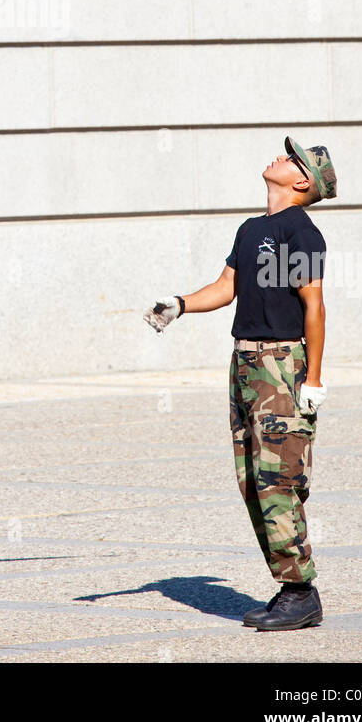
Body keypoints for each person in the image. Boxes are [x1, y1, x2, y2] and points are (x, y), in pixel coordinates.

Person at [144, 136, 337, 632]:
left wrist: (312, 377)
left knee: (280, 480)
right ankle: (288, 586)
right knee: (252, 480)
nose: (279, 156)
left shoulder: (301, 231)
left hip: (281, 364)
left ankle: (301, 592)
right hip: (245, 362)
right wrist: (180, 303)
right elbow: (226, 287)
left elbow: (313, 304)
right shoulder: (252, 230)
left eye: (292, 158)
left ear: (301, 181)